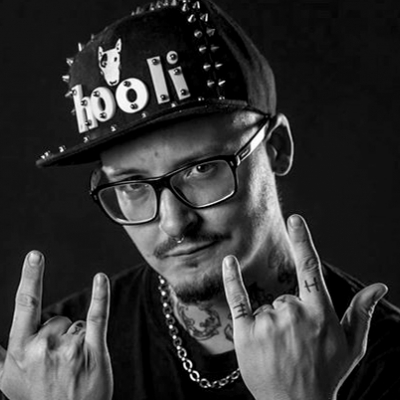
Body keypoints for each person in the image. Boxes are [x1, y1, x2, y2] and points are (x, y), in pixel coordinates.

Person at [1, 0, 399, 399]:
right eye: (132, 185)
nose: (174, 222)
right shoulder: (51, 364)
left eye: (202, 168)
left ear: (276, 147)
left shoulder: (384, 360)